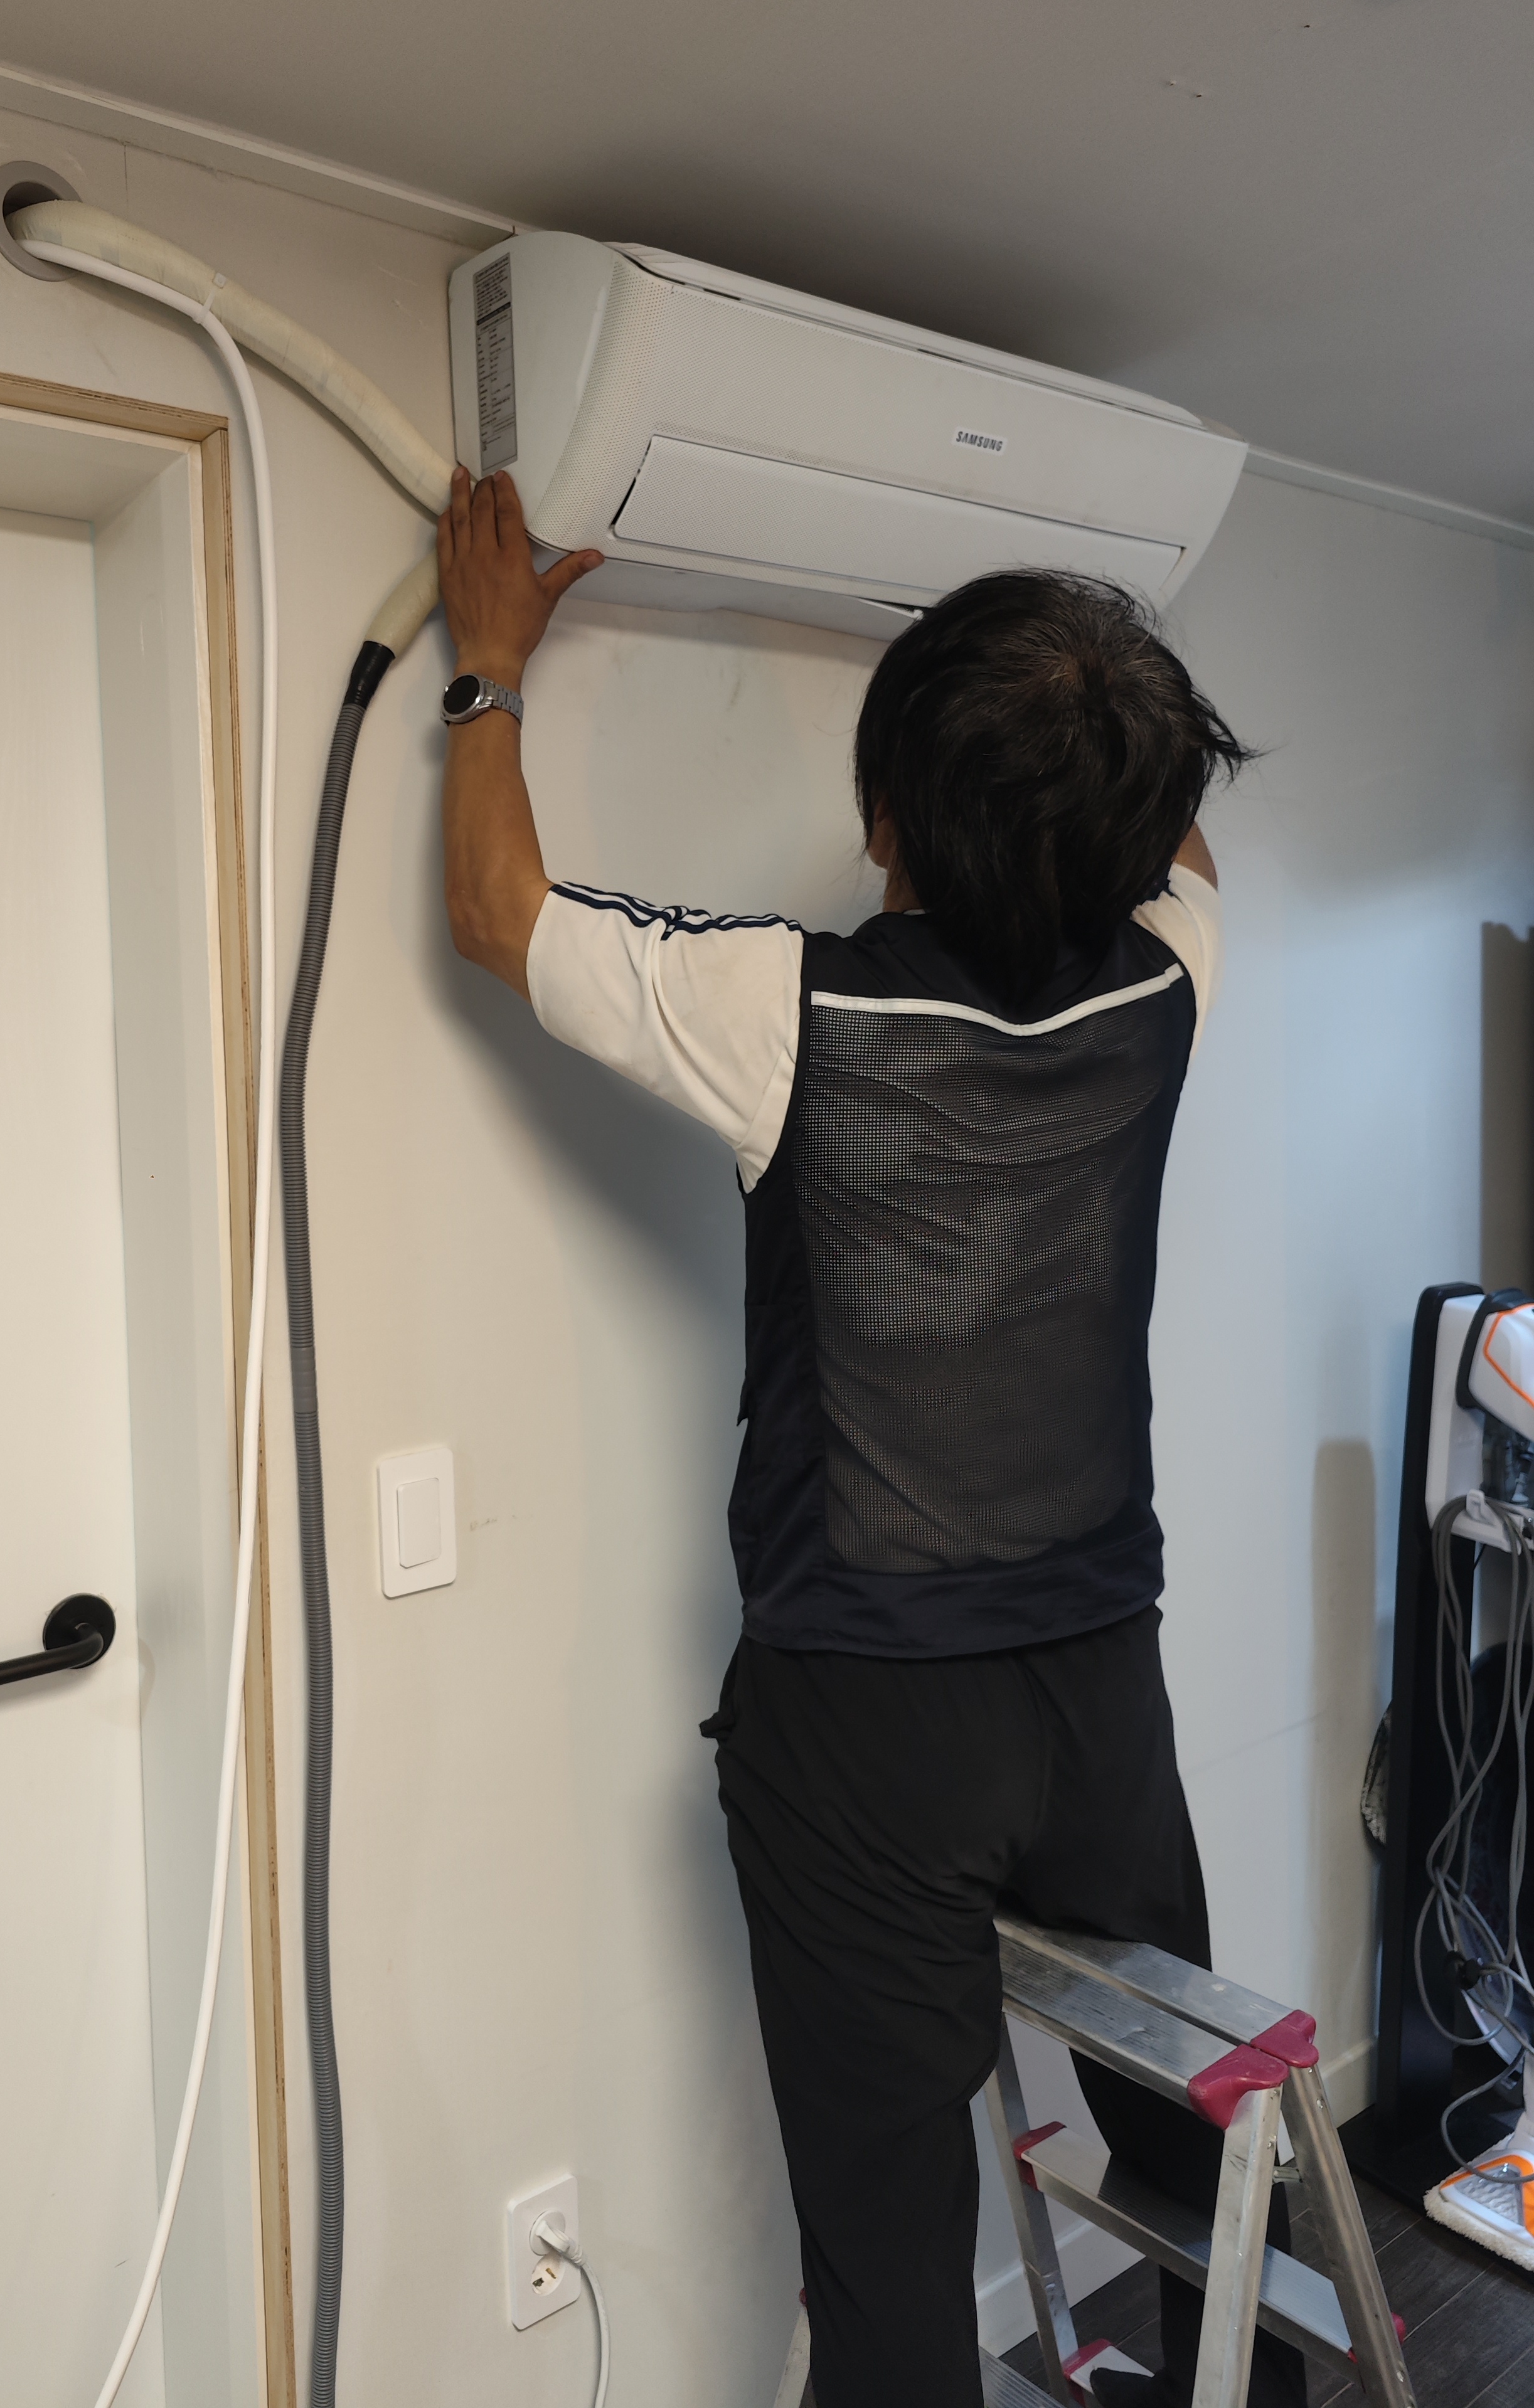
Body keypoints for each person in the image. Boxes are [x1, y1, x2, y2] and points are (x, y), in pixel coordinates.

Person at [435, 465, 1284, 2408]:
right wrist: (1085, 721)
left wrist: (490, 667)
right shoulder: (1169, 980)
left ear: (881, 818)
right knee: (1194, 2147)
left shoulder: (785, 1007)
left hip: (867, 1725)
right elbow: (1180, 847)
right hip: (1099, 1695)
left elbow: (496, 912)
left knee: (891, 2266)